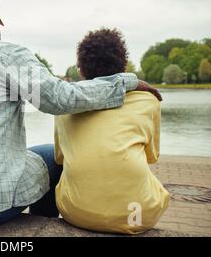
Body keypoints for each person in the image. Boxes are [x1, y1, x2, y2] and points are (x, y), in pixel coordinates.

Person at [0, 0, 162, 227]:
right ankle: (44, 226)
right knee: (53, 156)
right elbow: (59, 99)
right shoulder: (7, 54)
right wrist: (124, 82)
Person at [54, 28, 169, 234]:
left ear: (80, 68)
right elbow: (152, 156)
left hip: (75, 214)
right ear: (123, 65)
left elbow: (60, 158)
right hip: (138, 217)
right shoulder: (149, 100)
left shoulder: (65, 107)